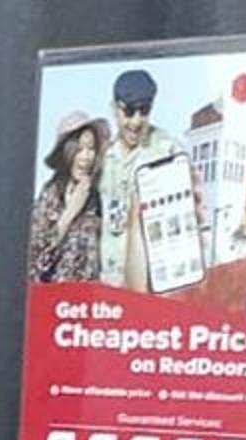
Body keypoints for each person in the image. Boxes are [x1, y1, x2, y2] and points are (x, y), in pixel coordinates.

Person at [97, 68, 199, 293]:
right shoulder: (102, 157)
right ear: (114, 108)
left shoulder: (168, 151)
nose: (136, 121)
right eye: (129, 111)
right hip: (107, 285)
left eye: (144, 111)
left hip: (150, 287)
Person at [29, 110, 108, 282]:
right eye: (79, 150)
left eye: (91, 149)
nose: (86, 157)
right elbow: (34, 261)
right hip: (56, 294)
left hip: (90, 294)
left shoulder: (98, 197)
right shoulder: (51, 193)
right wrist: (70, 212)